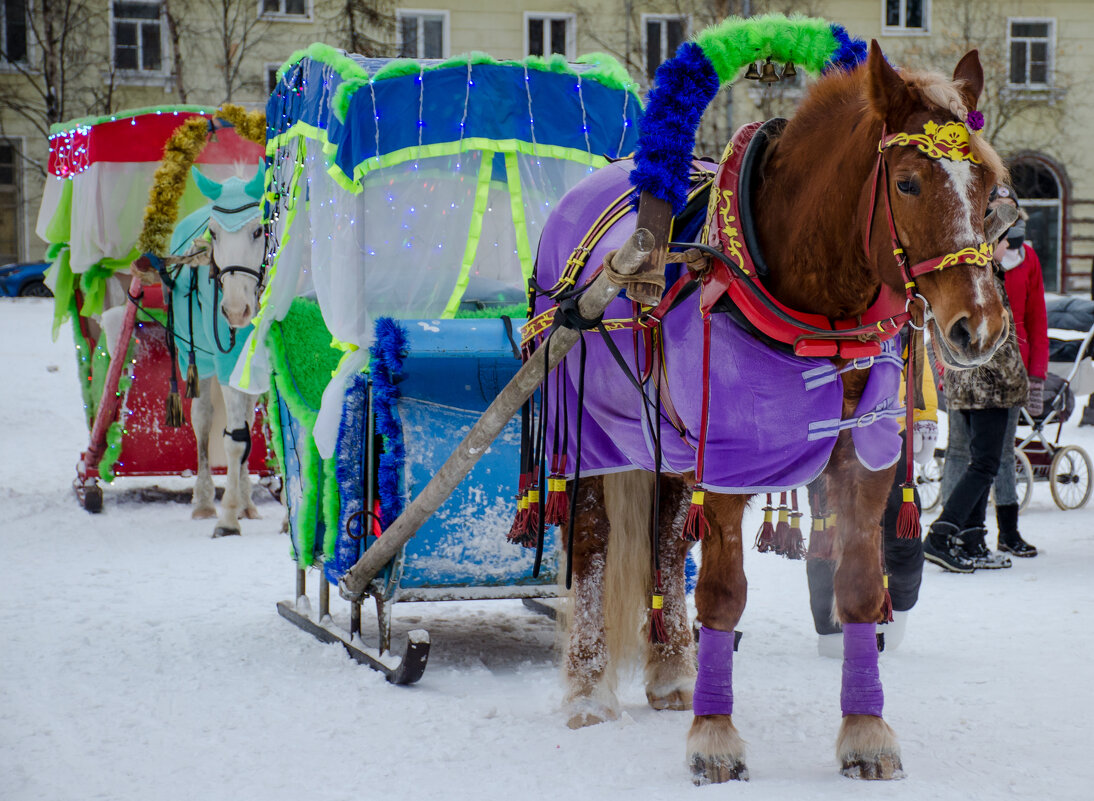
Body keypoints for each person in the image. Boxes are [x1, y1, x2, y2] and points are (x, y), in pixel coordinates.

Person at [808, 327, 935, 655]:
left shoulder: (894, 287)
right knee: (829, 530)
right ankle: (831, 624)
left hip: (890, 424)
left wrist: (923, 416)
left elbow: (914, 355)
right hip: (825, 426)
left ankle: (895, 610)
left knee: (900, 529)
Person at [926, 190, 1031, 572]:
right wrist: (1016, 384)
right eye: (1005, 242)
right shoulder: (987, 281)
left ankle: (971, 539)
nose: (1008, 249)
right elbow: (996, 343)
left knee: (978, 461)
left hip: (966, 388)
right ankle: (942, 533)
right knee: (985, 464)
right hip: (992, 389)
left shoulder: (977, 278)